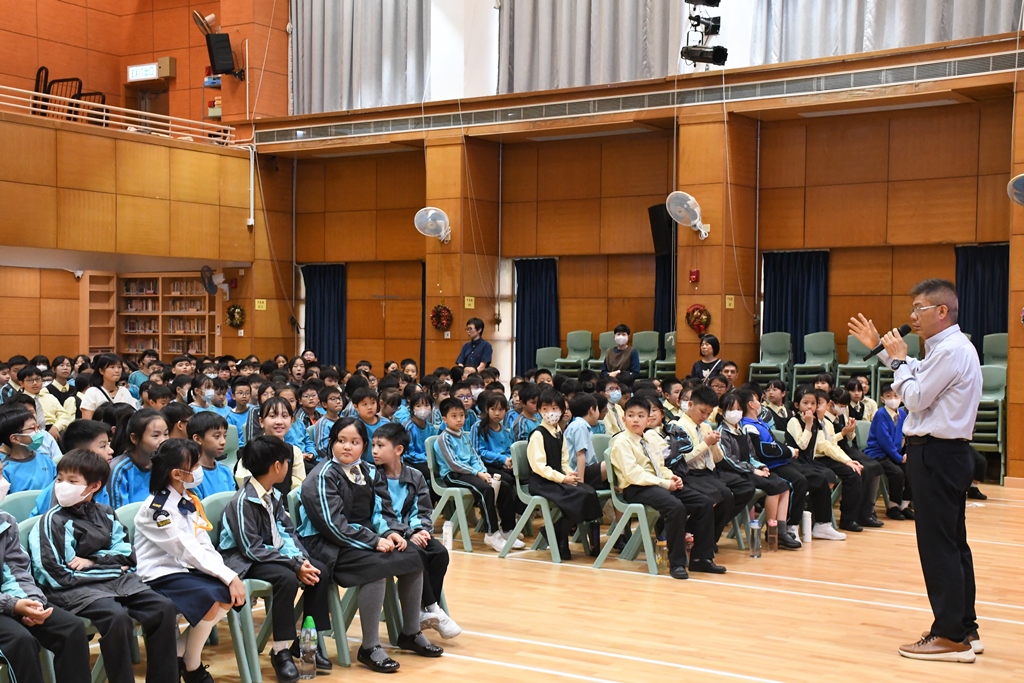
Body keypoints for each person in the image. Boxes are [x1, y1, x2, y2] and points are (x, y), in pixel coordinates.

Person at [850, 279, 982, 662]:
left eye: (919, 308)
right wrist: (882, 349)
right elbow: (915, 372)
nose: (912, 316)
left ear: (942, 311)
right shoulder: (946, 348)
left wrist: (895, 361)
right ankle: (964, 627)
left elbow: (916, 396)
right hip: (946, 454)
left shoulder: (952, 350)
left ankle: (950, 636)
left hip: (937, 454)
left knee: (938, 546)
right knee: (953, 543)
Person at [298, 418, 443, 673]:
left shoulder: (368, 471)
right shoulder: (321, 476)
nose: (347, 447)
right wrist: (374, 540)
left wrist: (390, 532)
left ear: (363, 445)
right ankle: (370, 647)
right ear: (331, 443)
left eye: (354, 442)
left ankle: (410, 632)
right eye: (341, 441)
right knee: (376, 568)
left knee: (412, 555)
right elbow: (333, 525)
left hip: (362, 538)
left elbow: (379, 512)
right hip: (327, 544)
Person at [30, 450, 180, 683]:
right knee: (116, 617)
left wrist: (93, 561)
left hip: (117, 583)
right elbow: (57, 574)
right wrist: (112, 568)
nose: (62, 486)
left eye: (72, 481)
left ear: (94, 486)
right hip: (74, 590)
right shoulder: (52, 520)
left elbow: (127, 555)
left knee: (163, 608)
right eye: (59, 479)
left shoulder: (106, 513)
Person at [219, 435, 334, 681]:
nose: (288, 466)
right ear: (277, 466)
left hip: (272, 555)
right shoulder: (242, 501)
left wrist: (301, 560)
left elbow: (287, 533)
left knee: (319, 571)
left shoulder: (274, 495)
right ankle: (280, 651)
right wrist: (293, 565)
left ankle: (306, 644)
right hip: (244, 561)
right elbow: (251, 548)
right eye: (286, 462)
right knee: (286, 578)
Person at [133, 439, 246, 682]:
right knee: (210, 599)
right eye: (194, 465)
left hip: (183, 570)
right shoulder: (157, 509)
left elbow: (203, 543)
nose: (199, 469)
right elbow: (187, 549)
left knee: (225, 594)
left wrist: (226, 574)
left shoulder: (187, 498)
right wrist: (229, 576)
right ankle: (193, 667)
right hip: (158, 575)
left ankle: (179, 654)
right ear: (176, 473)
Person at [608, 396, 723, 580]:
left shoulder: (648, 439)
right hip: (636, 488)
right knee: (675, 507)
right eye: (630, 415)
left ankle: (701, 558)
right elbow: (633, 474)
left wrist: (672, 477)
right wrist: (664, 483)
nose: (635, 419)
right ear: (624, 419)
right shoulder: (622, 442)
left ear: (648, 419)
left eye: (640, 416)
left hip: (656, 483)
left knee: (704, 502)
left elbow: (660, 466)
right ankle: (677, 563)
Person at [371, 423, 461, 639]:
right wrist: (407, 533)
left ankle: (421, 608)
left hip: (411, 532)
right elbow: (379, 514)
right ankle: (433, 608)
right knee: (416, 553)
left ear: (398, 449)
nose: (374, 450)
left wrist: (420, 530)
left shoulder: (415, 476)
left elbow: (422, 509)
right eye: (373, 445)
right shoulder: (372, 476)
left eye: (380, 445)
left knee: (439, 553)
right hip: (386, 534)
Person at [0, 482, 92, 683]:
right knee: (20, 641)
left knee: (71, 628)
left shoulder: (4, 521)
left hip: (9, 600)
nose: (3, 482)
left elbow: (16, 570)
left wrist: (31, 601)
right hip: (6, 603)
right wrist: (13, 605)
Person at [715, 392, 801, 550]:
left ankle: (781, 530)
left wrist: (760, 466)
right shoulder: (721, 433)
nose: (736, 413)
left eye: (739, 409)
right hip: (733, 472)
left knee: (783, 485)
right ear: (721, 411)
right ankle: (772, 530)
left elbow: (751, 455)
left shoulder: (742, 429)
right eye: (731, 409)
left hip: (749, 469)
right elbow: (728, 459)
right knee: (774, 487)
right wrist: (753, 470)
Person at [526, 391, 603, 560]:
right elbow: (539, 467)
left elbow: (564, 461)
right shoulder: (538, 434)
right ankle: (560, 535)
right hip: (542, 482)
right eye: (545, 409)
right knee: (578, 496)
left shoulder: (559, 432)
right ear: (539, 411)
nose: (550, 413)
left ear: (562, 411)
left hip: (557, 479)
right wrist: (563, 479)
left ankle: (557, 531)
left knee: (588, 492)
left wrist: (570, 474)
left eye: (554, 408)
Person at [435, 397, 517, 552]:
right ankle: (491, 533)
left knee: (504, 486)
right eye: (454, 416)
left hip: (470, 472)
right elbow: (454, 464)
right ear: (444, 419)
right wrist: (477, 473)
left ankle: (508, 530)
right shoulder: (443, 438)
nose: (459, 419)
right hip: (453, 475)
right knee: (486, 489)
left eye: (462, 415)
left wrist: (483, 471)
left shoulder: (464, 435)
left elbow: (474, 457)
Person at [33, 420, 114, 516]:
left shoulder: (96, 480)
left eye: (108, 444)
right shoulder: (62, 491)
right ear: (81, 453)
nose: (111, 451)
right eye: (103, 446)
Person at [864, 384, 913, 521]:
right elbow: (884, 440)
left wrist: (907, 454)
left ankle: (904, 505)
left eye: (896, 396)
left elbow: (907, 435)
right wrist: (899, 458)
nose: (893, 399)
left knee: (913, 469)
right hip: (878, 454)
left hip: (895, 454)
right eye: (888, 396)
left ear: (901, 398)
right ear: (882, 399)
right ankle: (893, 507)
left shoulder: (903, 415)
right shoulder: (881, 414)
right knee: (897, 473)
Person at [107, 409, 169, 508]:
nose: (163, 440)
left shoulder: (165, 463)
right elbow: (119, 514)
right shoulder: (119, 470)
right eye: (156, 435)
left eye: (166, 434)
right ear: (134, 438)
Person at [0, 408, 57, 493]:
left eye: (38, 427)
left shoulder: (46, 459)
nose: (38, 432)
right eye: (32, 428)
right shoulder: (5, 470)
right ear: (15, 438)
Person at [187, 412, 236, 499]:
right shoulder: (192, 476)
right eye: (217, 436)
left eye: (224, 436)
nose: (223, 442)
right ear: (197, 439)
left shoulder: (225, 471)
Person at [80, 354, 137, 419]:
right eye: (112, 367)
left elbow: (132, 417)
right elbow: (87, 421)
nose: (117, 370)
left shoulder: (124, 391)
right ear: (101, 371)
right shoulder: (92, 392)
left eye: (119, 367)